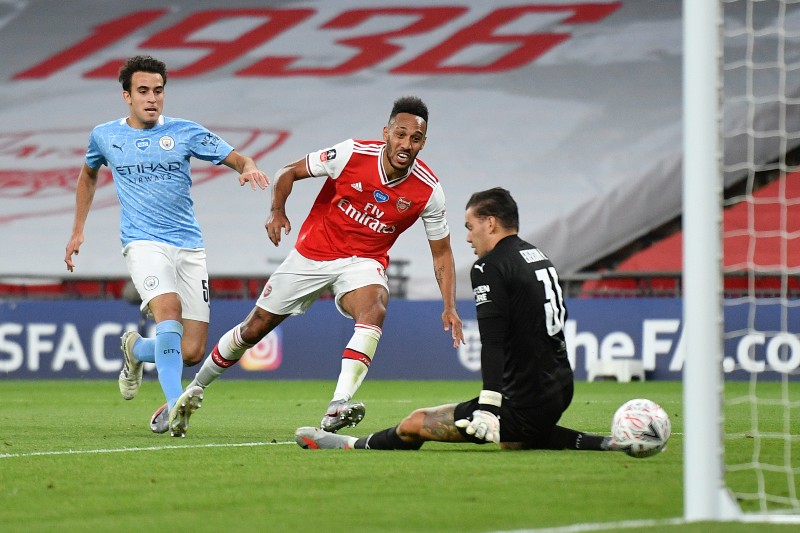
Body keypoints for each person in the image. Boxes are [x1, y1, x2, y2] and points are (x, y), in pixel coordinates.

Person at [179, 95, 464, 434]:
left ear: (423, 143)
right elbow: (289, 171)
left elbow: (442, 253)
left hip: (363, 261)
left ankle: (337, 405)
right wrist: (277, 210)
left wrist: (449, 305)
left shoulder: (428, 191)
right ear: (386, 132)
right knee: (253, 330)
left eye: (415, 139)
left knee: (375, 307)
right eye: (400, 134)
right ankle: (195, 388)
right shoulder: (351, 154)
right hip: (313, 253)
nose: (406, 144)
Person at [295, 187, 622, 453]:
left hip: (521, 398)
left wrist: (489, 407)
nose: (467, 238)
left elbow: (492, 342)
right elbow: (558, 320)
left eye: (470, 227)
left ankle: (351, 444)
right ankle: (608, 443)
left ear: (490, 223)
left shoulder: (489, 267)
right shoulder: (537, 257)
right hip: (558, 391)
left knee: (415, 423)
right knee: (520, 437)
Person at [64, 55, 270, 437]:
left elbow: (239, 158)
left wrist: (249, 168)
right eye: (143, 91)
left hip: (189, 246)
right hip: (142, 243)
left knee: (191, 351)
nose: (152, 98)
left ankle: (136, 350)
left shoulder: (185, 132)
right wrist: (78, 229)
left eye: (158, 91)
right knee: (168, 312)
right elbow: (88, 175)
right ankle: (177, 405)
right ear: (126, 95)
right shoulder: (105, 135)